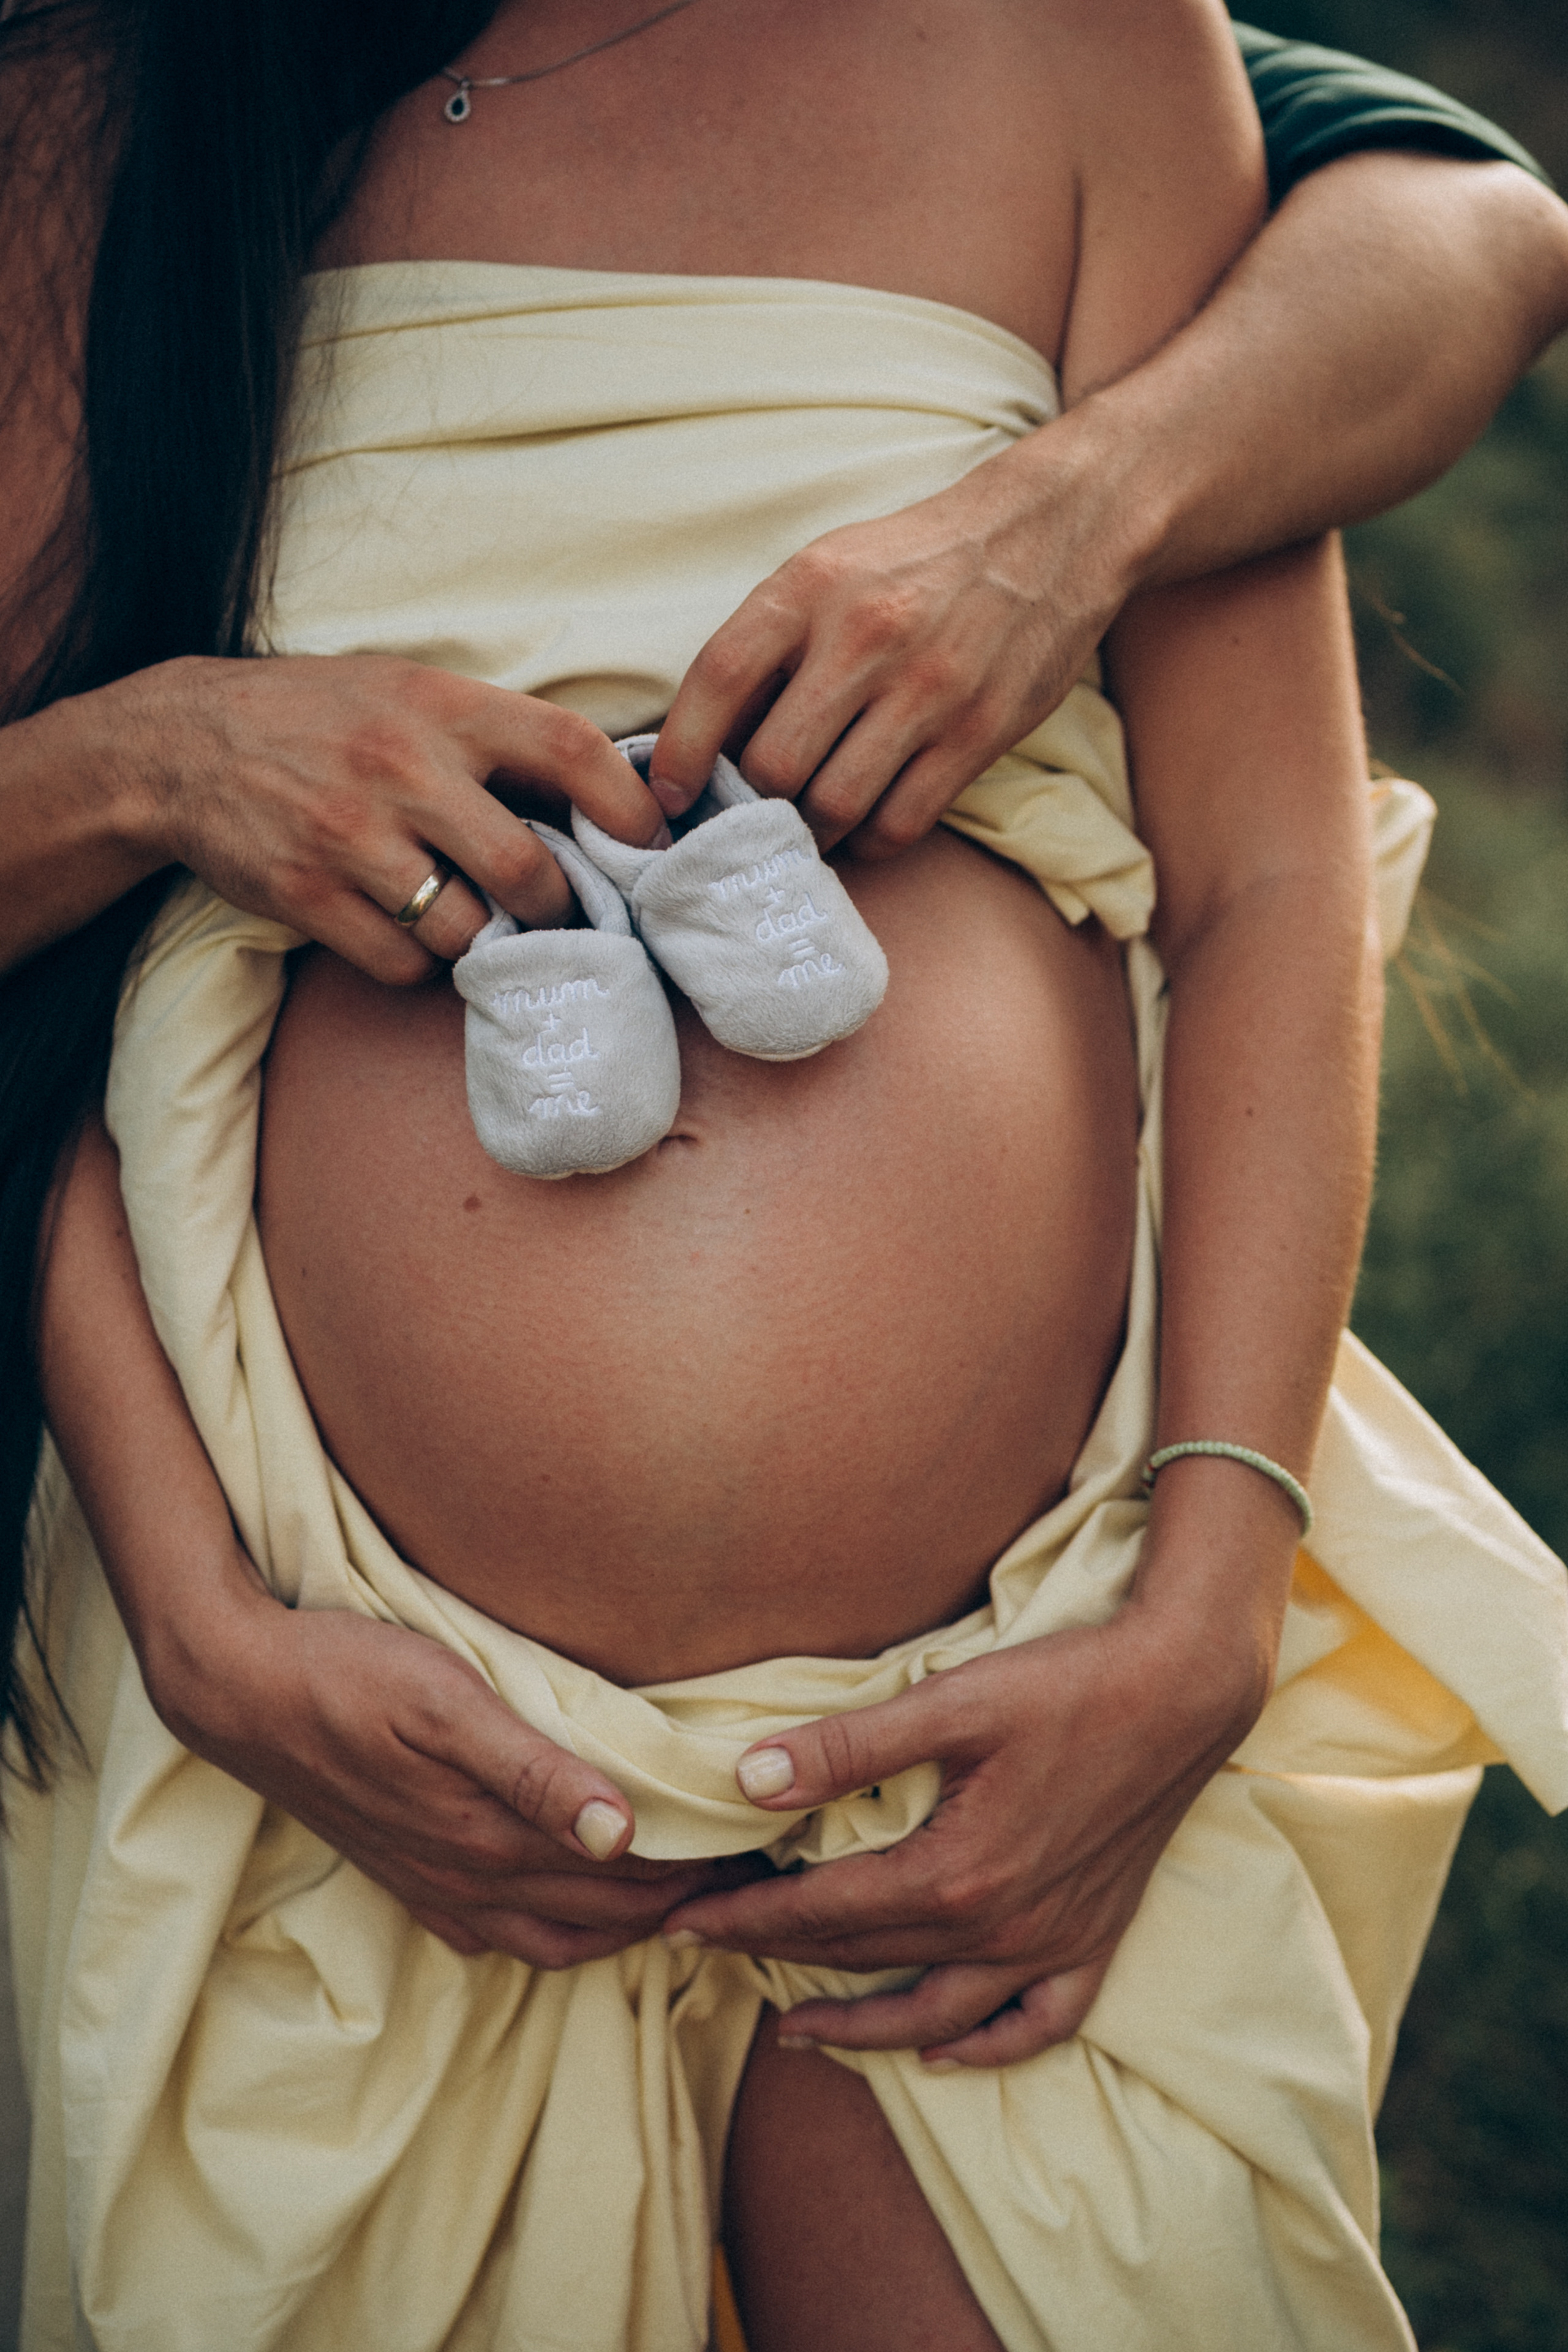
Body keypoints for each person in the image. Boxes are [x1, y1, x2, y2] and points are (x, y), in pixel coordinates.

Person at [5, 6, 1568, 2350]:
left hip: (1015, 1701)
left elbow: (1266, 881)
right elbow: (50, 1006)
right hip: (343, 1755)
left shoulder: (1085, 47)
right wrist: (210, 1624)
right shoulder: (110, 116)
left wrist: (1204, 1607)